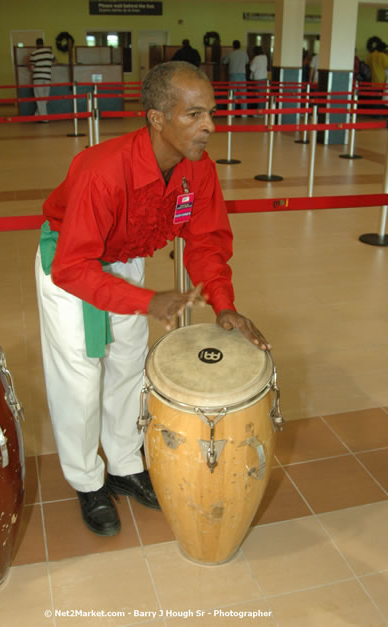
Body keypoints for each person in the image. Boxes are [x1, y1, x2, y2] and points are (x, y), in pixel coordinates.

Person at [35, 61, 271, 537]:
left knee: (127, 366)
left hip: (127, 262)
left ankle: (123, 462)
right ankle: (86, 479)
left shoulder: (197, 171)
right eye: (195, 115)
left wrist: (223, 304)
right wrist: (148, 301)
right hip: (71, 263)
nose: (209, 125)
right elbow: (72, 267)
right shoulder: (102, 172)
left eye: (212, 113)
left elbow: (205, 241)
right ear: (157, 118)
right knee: (81, 378)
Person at [29, 38, 57, 121]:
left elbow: (31, 67)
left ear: (36, 44)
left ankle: (43, 118)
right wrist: (48, 65)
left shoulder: (33, 53)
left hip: (37, 77)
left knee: (40, 98)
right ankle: (38, 115)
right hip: (47, 77)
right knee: (45, 98)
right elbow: (56, 61)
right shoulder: (48, 52)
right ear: (43, 43)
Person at [222, 40, 249, 116]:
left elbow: (224, 62)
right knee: (243, 95)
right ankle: (244, 114)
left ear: (233, 46)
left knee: (232, 95)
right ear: (240, 46)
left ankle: (231, 113)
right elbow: (247, 62)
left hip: (233, 75)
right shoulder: (244, 53)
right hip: (242, 75)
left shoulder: (230, 54)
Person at [250, 46, 268, 113]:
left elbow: (252, 68)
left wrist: (251, 63)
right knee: (262, 95)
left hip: (258, 78)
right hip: (264, 77)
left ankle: (260, 112)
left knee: (259, 96)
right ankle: (262, 111)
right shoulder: (265, 57)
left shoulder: (256, 58)